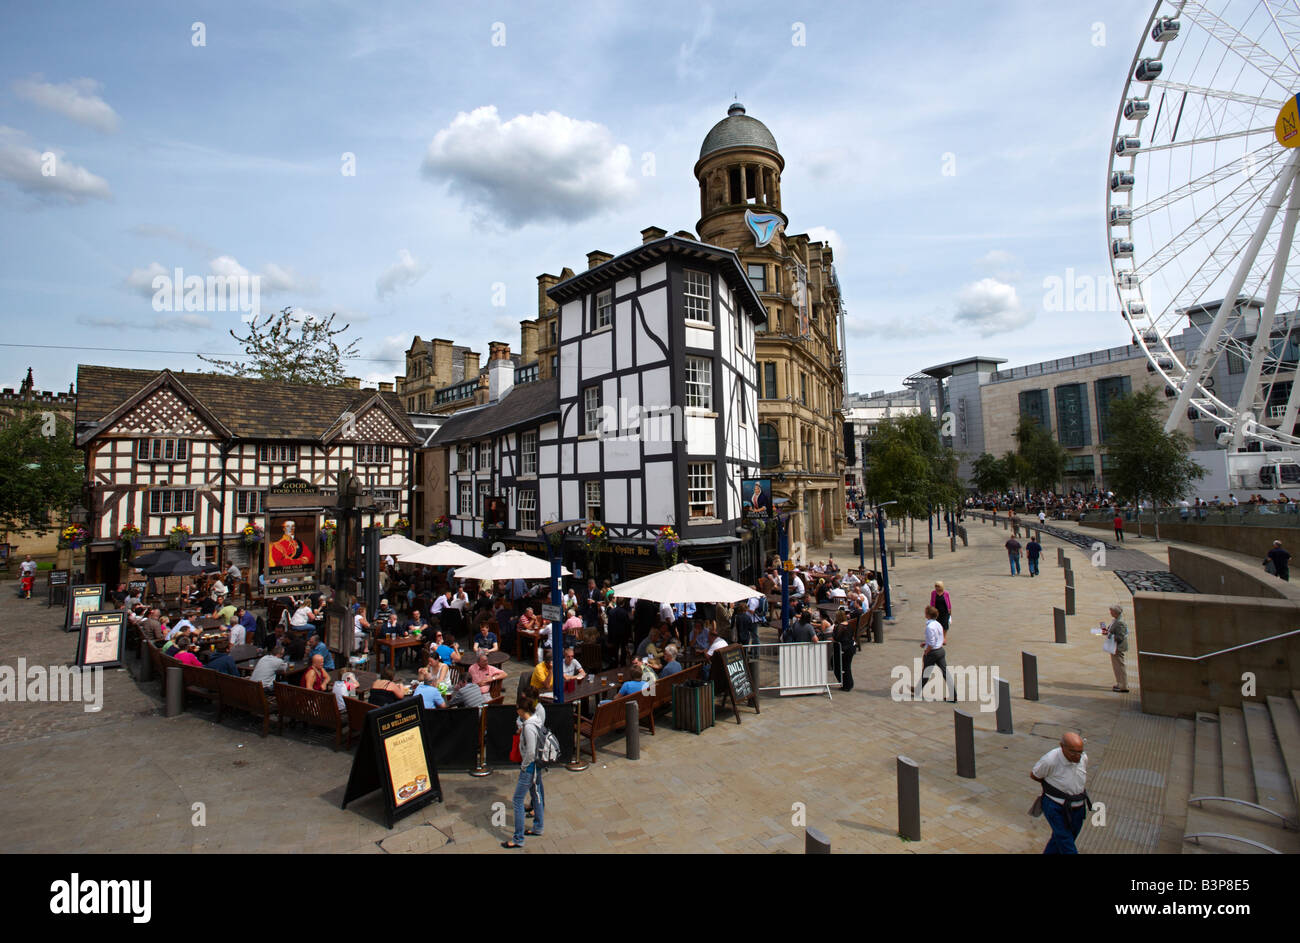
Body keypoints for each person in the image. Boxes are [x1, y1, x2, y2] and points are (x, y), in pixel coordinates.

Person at [1031, 733, 1090, 854]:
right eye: (1073, 752)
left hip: (1078, 807)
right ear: (1062, 747)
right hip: (1055, 807)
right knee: (1066, 843)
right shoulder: (1050, 760)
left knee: (1061, 840)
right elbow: (1035, 775)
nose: (1078, 756)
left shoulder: (1083, 757)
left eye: (1080, 752)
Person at [502, 695, 545, 849]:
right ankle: (538, 826)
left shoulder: (528, 727)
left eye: (517, 708)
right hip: (537, 764)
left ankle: (518, 838)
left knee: (517, 800)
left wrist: (524, 766)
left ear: (522, 710)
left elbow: (531, 752)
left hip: (529, 766)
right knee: (536, 793)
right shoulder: (536, 720)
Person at [912, 605, 954, 701]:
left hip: (933, 652)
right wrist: (926, 643)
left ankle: (918, 690)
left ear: (928, 615)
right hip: (940, 650)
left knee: (926, 672)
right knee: (945, 673)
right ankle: (953, 694)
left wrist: (927, 650)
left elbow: (931, 642)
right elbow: (938, 637)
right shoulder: (938, 624)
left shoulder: (929, 627)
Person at [1100, 604, 1129, 693]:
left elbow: (1120, 637)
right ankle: (1119, 683)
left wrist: (1109, 634)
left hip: (1117, 648)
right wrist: (1105, 631)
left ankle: (1123, 685)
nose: (1110, 613)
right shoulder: (1115, 620)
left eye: (1111, 611)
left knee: (1120, 666)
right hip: (1114, 648)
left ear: (1115, 612)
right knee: (1116, 666)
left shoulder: (1120, 623)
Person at [832, 615, 857, 692]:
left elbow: (836, 638)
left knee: (838, 665)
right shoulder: (848, 625)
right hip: (851, 647)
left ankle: (846, 684)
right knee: (846, 666)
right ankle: (848, 683)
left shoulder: (840, 626)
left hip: (844, 649)